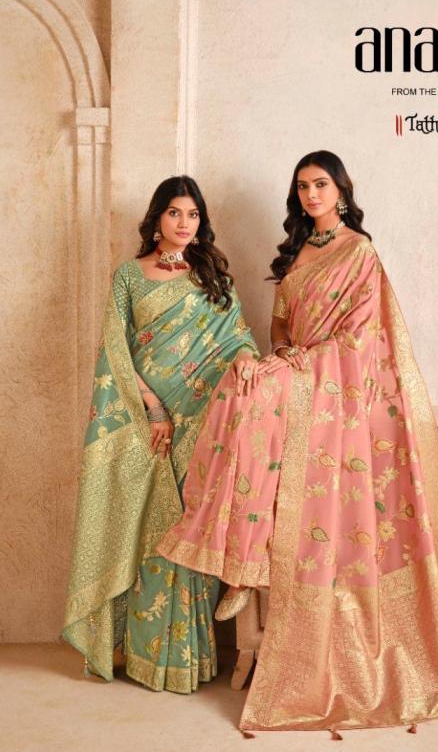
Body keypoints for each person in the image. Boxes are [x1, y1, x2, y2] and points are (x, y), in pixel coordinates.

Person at [157, 151, 438, 731]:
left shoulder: (360, 253)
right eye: (303, 187)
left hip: (341, 386)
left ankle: (244, 564)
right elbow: (281, 324)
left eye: (321, 185)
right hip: (303, 372)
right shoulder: (298, 252)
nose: (311, 195)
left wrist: (301, 364)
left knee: (253, 387)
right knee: (241, 383)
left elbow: (361, 339)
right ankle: (241, 558)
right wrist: (284, 353)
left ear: (341, 191)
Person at [63, 175, 259, 693]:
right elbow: (115, 349)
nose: (184, 223)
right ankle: (148, 659)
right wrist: (152, 408)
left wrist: (245, 360)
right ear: (157, 218)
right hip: (149, 424)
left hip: (205, 422)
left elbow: (238, 338)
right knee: (153, 530)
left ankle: (190, 661)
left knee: (192, 528)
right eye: (175, 212)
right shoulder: (129, 276)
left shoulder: (213, 276)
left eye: (193, 215)